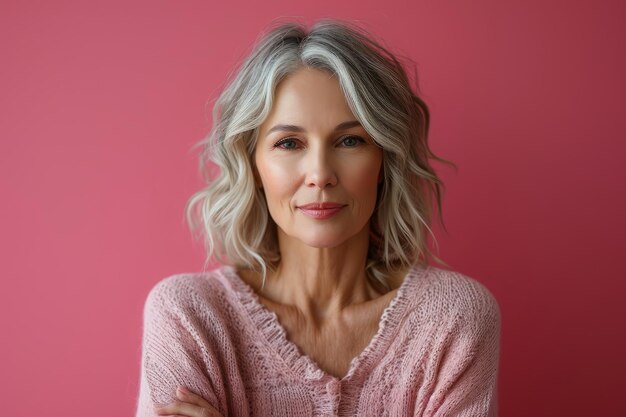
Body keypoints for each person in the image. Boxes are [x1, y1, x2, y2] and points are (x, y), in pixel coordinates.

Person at [135, 18, 501, 417]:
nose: (320, 174)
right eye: (289, 143)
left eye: (350, 140)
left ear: (384, 160)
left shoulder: (451, 319)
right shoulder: (189, 316)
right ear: (254, 166)